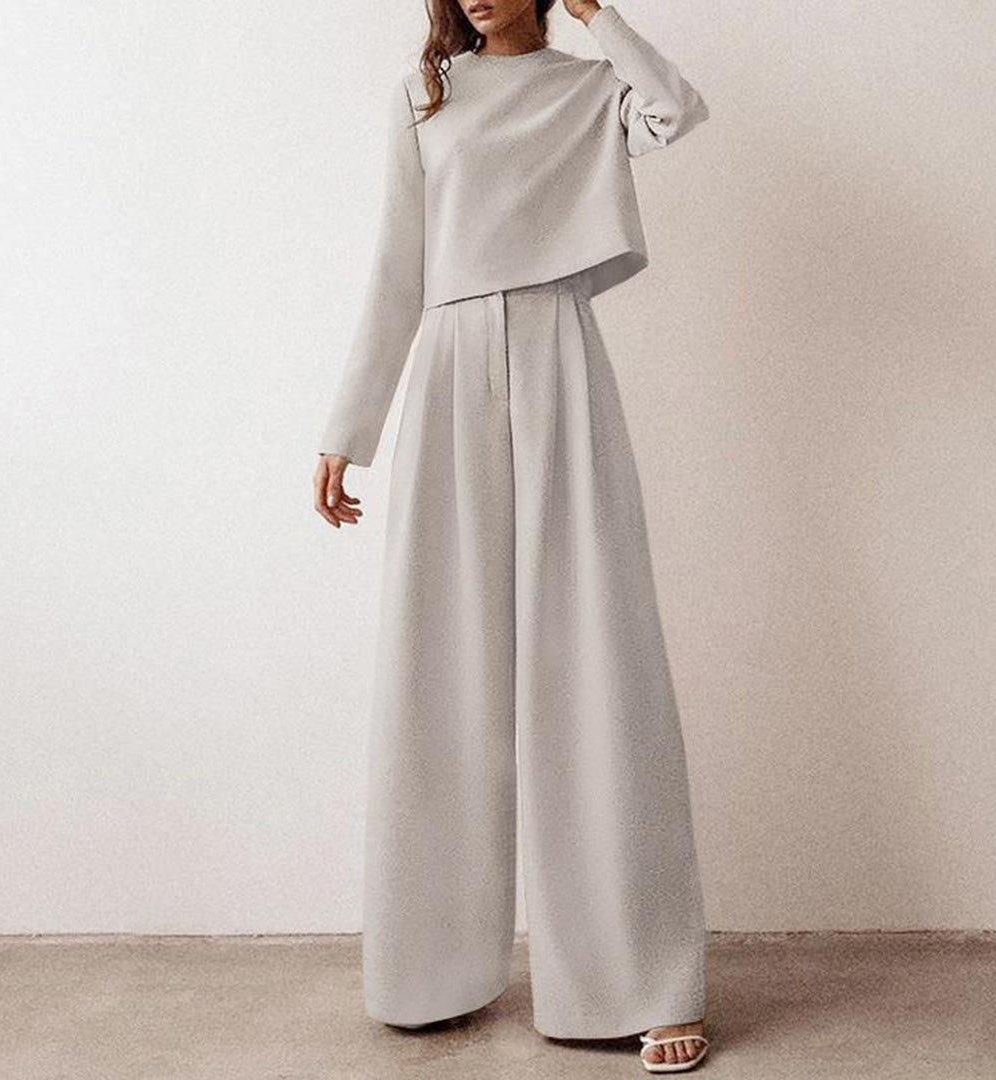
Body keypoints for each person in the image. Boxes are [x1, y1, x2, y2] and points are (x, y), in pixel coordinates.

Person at [313, 1, 712, 1072]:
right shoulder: (425, 95)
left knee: (597, 660)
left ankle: (643, 979)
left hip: (556, 356)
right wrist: (349, 430)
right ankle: (431, 969)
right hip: (448, 370)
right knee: (439, 666)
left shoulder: (590, 88)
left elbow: (676, 109)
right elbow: (397, 266)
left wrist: (597, 14)